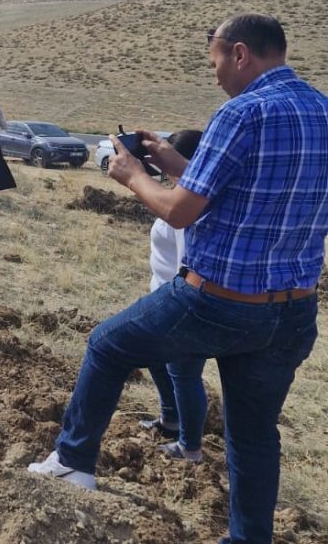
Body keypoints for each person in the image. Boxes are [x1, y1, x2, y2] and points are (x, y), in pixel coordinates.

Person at [28, 13, 328, 544]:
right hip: (295, 310)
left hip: (220, 301)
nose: (213, 72)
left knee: (106, 345)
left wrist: (135, 174)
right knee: (254, 435)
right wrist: (173, 161)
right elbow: (256, 192)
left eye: (214, 58)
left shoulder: (242, 113)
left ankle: (74, 460)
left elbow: (180, 213)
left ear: (240, 54)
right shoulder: (322, 110)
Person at [137, 130, 206, 463]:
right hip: (162, 295)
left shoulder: (190, 207)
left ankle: (190, 446)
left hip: (179, 302)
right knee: (154, 356)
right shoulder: (181, 194)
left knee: (184, 372)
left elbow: (186, 262)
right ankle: (170, 419)